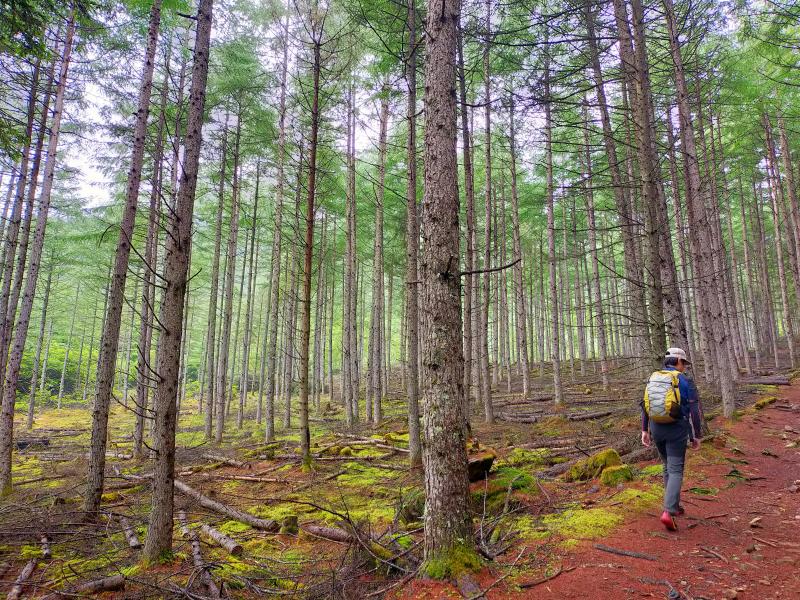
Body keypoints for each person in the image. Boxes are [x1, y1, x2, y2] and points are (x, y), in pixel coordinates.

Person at [641, 347, 704, 531]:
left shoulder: (653, 377)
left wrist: (645, 430)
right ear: (677, 361)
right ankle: (668, 512)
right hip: (676, 429)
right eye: (683, 363)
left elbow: (645, 405)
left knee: (667, 466)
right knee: (676, 470)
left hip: (656, 428)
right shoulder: (684, 381)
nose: (684, 366)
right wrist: (696, 435)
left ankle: (674, 506)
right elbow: (694, 411)